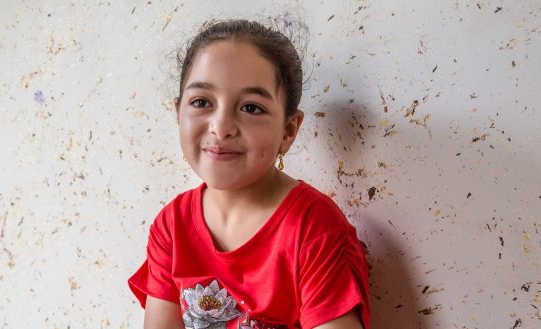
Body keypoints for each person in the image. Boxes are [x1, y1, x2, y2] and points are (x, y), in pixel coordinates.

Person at [128, 18, 370, 329]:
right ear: (179, 113)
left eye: (251, 108)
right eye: (201, 102)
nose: (221, 127)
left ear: (288, 130)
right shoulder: (172, 226)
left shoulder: (314, 230)